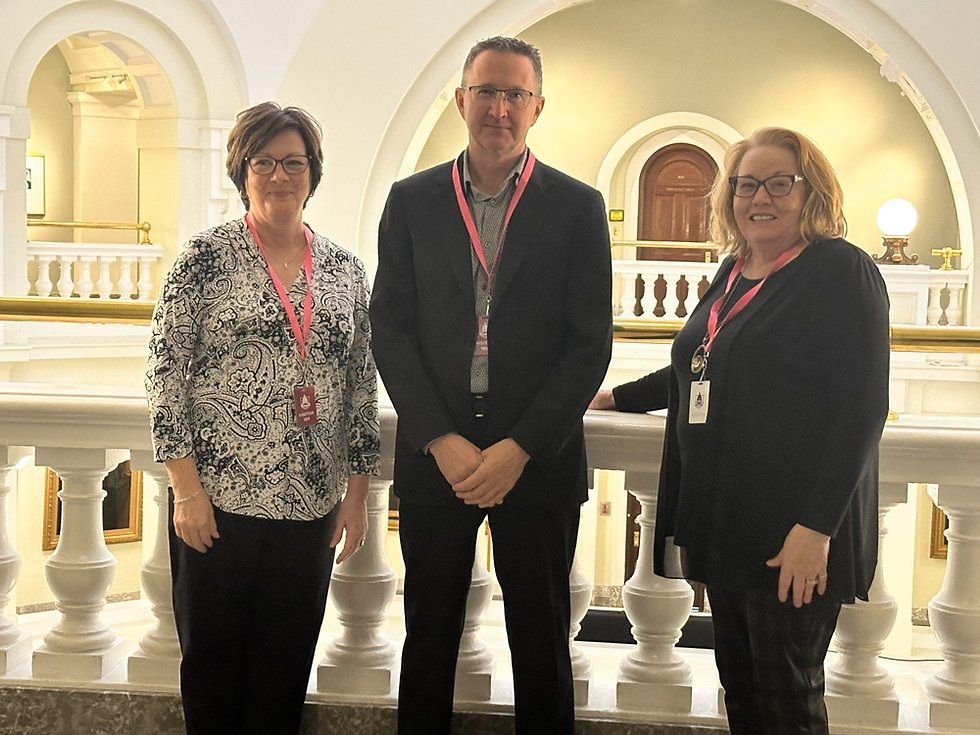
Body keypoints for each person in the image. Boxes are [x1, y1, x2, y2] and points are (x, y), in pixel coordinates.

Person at [592, 127, 890, 735]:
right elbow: (698, 364)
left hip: (793, 529)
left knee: (788, 701)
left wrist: (817, 527)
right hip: (728, 520)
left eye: (780, 183)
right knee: (744, 695)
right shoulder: (734, 271)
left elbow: (862, 409)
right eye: (745, 185)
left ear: (813, 192)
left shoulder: (841, 270)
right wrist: (615, 397)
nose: (761, 197)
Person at [370, 36, 612, 735]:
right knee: (429, 637)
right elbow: (391, 327)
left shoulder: (576, 206)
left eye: (514, 94)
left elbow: (588, 342)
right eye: (486, 92)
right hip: (437, 452)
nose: (499, 108)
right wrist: (438, 436)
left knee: (541, 643)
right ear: (460, 101)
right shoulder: (412, 201)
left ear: (537, 106)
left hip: (535, 458)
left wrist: (522, 446)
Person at [145, 102, 380, 735]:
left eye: (294, 163)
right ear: (242, 171)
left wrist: (357, 495)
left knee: (285, 669)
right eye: (265, 162)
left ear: (313, 172)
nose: (281, 176)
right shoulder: (203, 259)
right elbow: (167, 377)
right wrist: (186, 489)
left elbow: (362, 387)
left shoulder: (343, 271)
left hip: (309, 506)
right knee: (214, 669)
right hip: (217, 506)